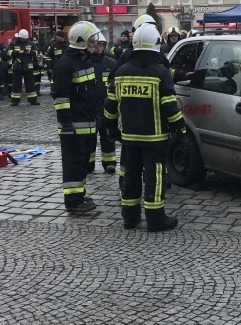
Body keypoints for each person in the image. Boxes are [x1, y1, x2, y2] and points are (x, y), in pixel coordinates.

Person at [104, 24, 185, 231]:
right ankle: (155, 219)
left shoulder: (121, 72)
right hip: (155, 137)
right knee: (155, 176)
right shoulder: (160, 72)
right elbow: (169, 105)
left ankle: (129, 218)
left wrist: (112, 130)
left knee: (130, 175)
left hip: (129, 137)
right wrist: (180, 129)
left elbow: (110, 106)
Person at [53, 21, 102, 214]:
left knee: (82, 163)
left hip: (87, 124)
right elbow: (61, 97)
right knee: (73, 163)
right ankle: (73, 201)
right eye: (91, 40)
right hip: (73, 126)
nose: (95, 43)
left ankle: (79, 195)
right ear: (81, 41)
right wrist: (65, 123)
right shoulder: (66, 64)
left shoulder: (83, 60)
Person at [89, 33, 119, 174]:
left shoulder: (111, 63)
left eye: (101, 45)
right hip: (91, 106)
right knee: (89, 137)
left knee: (107, 136)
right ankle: (88, 164)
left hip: (106, 106)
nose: (99, 48)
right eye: (96, 45)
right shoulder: (86, 62)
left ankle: (110, 162)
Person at [9, 29, 40, 106]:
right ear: (19, 37)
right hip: (17, 66)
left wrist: (30, 52)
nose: (23, 39)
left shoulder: (30, 43)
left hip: (28, 66)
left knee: (30, 84)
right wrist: (17, 52)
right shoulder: (13, 43)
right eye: (22, 38)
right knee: (16, 84)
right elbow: (8, 52)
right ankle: (15, 101)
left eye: (24, 38)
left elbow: (36, 52)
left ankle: (33, 100)